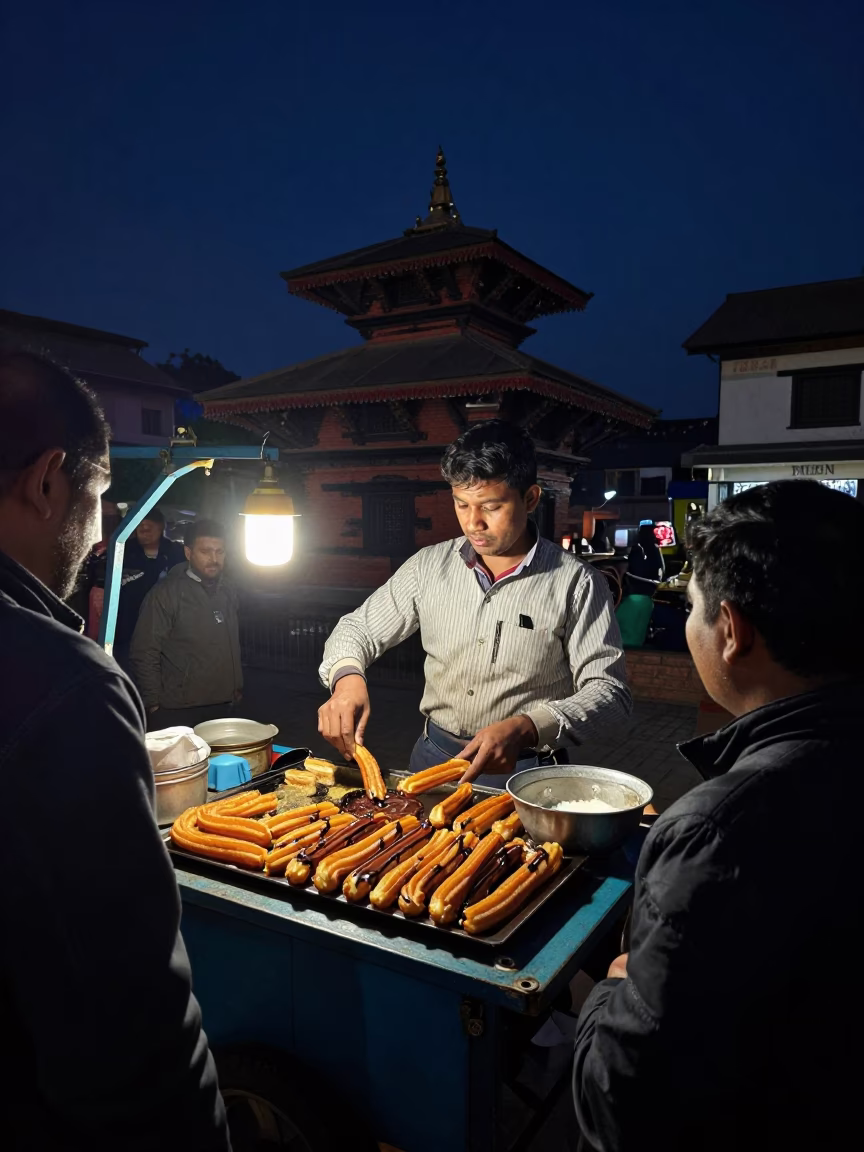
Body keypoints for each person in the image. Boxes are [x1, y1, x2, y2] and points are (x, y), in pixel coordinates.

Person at [572, 480, 860, 1152]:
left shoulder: (714, 830)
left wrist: (611, 993)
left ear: (731, 630)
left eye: (693, 607)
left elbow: (622, 1102)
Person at [0, 351, 229, 1150]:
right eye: (100, 500)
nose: (102, 535)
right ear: (48, 481)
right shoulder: (61, 684)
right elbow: (131, 1022)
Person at [317, 420, 631, 782]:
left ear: (530, 499)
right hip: (433, 758)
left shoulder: (577, 583)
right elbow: (357, 629)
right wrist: (347, 679)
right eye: (462, 504)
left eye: (491, 507)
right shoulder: (428, 566)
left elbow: (610, 694)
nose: (473, 523)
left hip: (525, 770)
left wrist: (529, 726)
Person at [131, 518, 242, 730]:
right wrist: (153, 703)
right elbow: (144, 651)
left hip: (225, 704)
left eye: (220, 552)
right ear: (188, 553)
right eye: (205, 551)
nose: (214, 559)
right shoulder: (165, 594)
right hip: (179, 709)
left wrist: (236, 686)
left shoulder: (227, 590)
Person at [114, 507, 186, 667]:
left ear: (161, 527)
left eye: (149, 527)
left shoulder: (176, 553)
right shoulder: (122, 550)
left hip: (166, 631)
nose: (144, 531)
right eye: (140, 527)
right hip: (128, 628)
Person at [625, 522, 664, 587]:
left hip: (649, 585)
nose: (654, 537)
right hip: (641, 586)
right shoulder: (637, 551)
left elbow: (660, 568)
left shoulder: (653, 550)